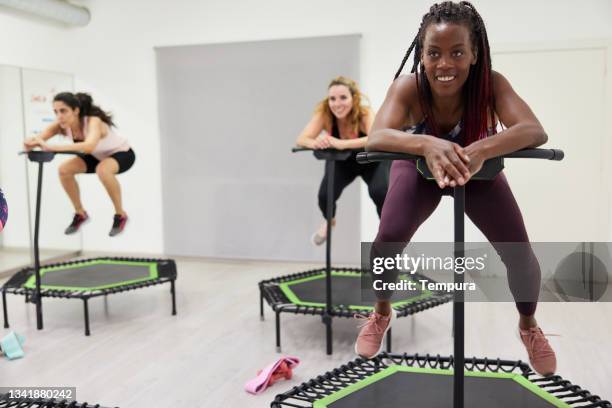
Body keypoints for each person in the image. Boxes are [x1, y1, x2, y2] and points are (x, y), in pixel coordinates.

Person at [354, 1, 557, 376]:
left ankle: (528, 325)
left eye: (457, 52)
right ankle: (382, 311)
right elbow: (376, 137)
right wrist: (428, 144)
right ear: (422, 54)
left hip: (477, 170)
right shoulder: (408, 88)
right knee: (388, 238)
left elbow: (533, 130)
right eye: (434, 53)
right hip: (417, 170)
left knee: (519, 252)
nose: (444, 64)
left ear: (475, 54)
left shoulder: (492, 84)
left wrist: (478, 149)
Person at [23, 92, 135, 237]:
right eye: (56, 111)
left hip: (122, 153)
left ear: (76, 111)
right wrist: (29, 143)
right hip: (96, 156)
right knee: (64, 170)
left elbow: (88, 146)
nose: (59, 116)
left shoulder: (93, 121)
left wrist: (51, 147)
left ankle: (120, 214)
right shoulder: (60, 125)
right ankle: (80, 213)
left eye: (63, 111)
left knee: (103, 170)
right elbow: (37, 141)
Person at [296, 76, 389, 245]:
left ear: (354, 98)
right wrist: (317, 142)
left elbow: (375, 138)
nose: (337, 104)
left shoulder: (364, 113)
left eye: (343, 98)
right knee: (325, 196)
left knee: (380, 193)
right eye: (332, 98)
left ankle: (389, 235)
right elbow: (302, 139)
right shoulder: (325, 114)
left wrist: (340, 143)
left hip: (371, 161)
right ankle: (329, 221)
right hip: (343, 162)